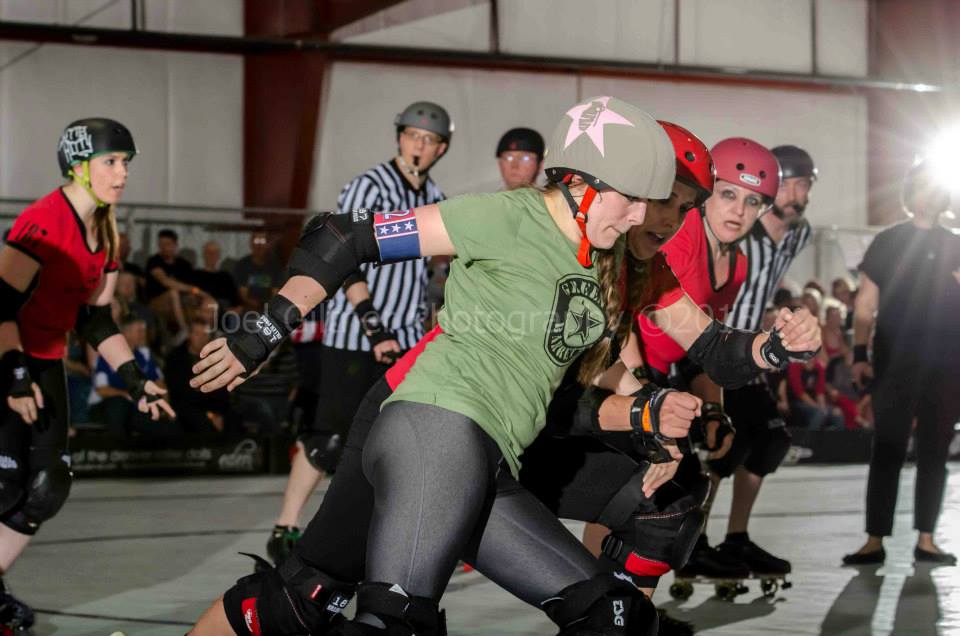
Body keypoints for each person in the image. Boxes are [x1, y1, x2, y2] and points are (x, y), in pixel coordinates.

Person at [187, 98, 820, 636]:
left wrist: (776, 345)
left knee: (615, 616)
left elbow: (713, 350)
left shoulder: (621, 258)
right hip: (428, 421)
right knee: (368, 609)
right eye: (640, 202)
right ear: (581, 183)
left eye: (668, 207)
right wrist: (265, 327)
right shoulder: (506, 216)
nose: (645, 220)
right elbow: (347, 236)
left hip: (493, 451)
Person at [0, 118, 174, 631]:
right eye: (112, 163)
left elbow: (95, 319)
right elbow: (0, 307)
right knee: (5, 480)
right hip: (7, 356)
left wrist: (137, 378)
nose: (123, 174)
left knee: (49, 484)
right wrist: (14, 377)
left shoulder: (108, 231)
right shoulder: (41, 222)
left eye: (126, 164)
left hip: (47, 360)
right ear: (78, 167)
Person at [264, 101, 451, 565]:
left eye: (428, 141)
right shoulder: (367, 186)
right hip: (354, 336)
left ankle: (379, 531)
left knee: (395, 440)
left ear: (440, 149)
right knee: (329, 438)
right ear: (399, 138)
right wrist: (372, 321)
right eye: (412, 136)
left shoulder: (439, 198)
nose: (419, 146)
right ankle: (285, 526)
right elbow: (340, 256)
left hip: (405, 337)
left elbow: (431, 273)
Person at [842, 159, 960, 566]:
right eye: (922, 186)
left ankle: (927, 539)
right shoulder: (888, 242)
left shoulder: (956, 244)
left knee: (936, 450)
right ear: (910, 192)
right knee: (887, 448)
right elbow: (865, 305)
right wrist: (859, 354)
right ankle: (874, 539)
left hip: (947, 364)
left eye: (935, 186)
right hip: (894, 361)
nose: (929, 193)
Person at [710, 144, 818, 578]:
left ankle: (736, 539)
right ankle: (692, 542)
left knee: (770, 441)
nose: (794, 193)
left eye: (803, 184)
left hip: (753, 353)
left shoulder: (800, 233)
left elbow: (769, 283)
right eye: (786, 183)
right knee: (718, 448)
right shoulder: (738, 227)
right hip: (716, 348)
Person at [146, 228, 202, 337]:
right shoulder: (154, 261)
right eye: (161, 244)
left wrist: (195, 292)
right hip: (157, 302)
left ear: (175, 245)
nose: (163, 247)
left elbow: (192, 286)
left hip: (180, 302)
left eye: (167, 244)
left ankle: (200, 332)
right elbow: (165, 281)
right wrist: (190, 289)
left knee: (195, 300)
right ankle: (184, 330)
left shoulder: (183, 264)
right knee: (173, 293)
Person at [233, 231, 283, 314]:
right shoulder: (242, 265)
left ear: (267, 245)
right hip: (247, 308)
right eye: (256, 241)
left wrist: (266, 307)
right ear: (251, 244)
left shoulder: (275, 266)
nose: (259, 245)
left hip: (269, 309)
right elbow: (242, 294)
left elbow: (275, 293)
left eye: (262, 241)